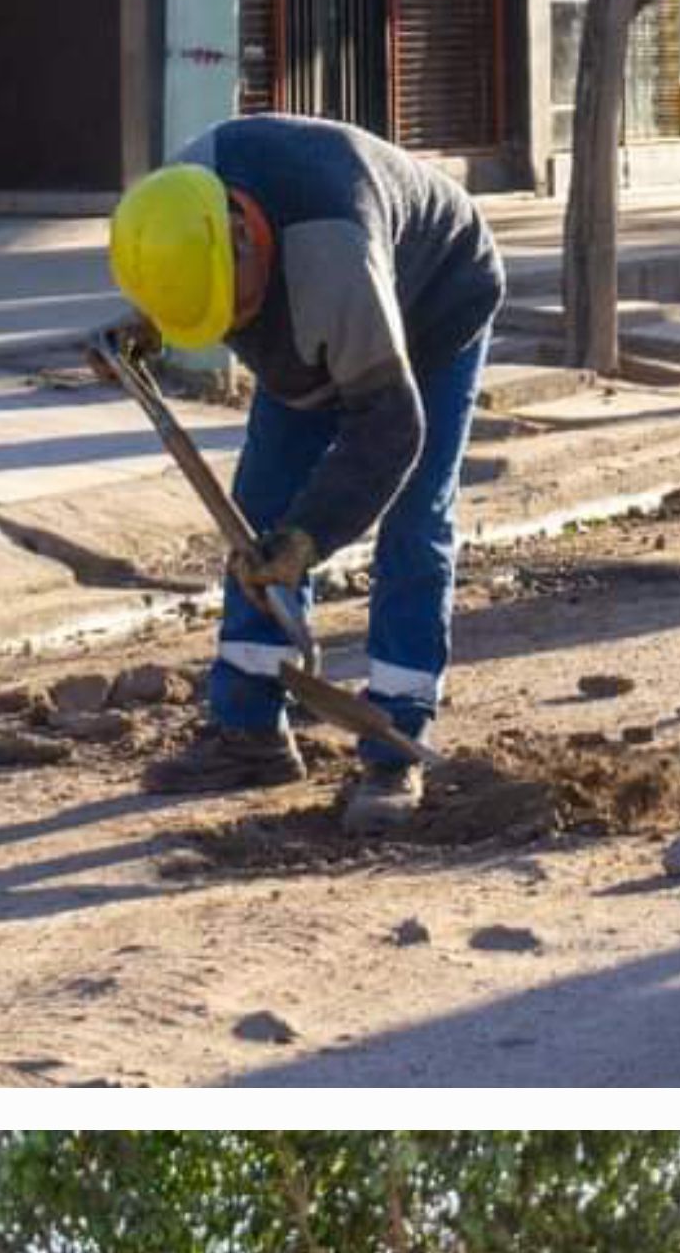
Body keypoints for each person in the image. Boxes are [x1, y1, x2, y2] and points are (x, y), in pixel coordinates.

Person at [106, 116, 506, 829]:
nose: (237, 324)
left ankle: (397, 744)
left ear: (243, 241)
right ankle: (249, 732)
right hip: (326, 297)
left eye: (237, 307)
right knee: (261, 504)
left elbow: (391, 429)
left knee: (414, 519)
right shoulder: (176, 206)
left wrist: (311, 539)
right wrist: (152, 322)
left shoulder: (331, 257)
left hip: (438, 291)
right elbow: (184, 276)